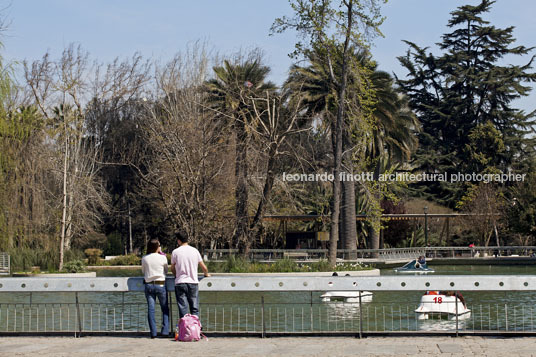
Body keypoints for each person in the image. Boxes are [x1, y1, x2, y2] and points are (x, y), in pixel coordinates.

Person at [171, 231, 211, 318]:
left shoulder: (175, 252)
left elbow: (172, 268)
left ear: (178, 241)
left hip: (180, 282)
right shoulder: (194, 251)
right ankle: (195, 329)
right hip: (193, 282)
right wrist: (206, 274)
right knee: (194, 309)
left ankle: (185, 329)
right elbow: (204, 267)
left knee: (183, 309)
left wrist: (176, 275)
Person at [141, 239, 169, 339]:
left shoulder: (145, 258)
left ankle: (153, 333)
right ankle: (165, 331)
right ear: (157, 247)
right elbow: (166, 270)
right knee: (164, 308)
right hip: (160, 284)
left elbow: (143, 271)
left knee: (151, 309)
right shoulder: (163, 258)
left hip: (148, 285)